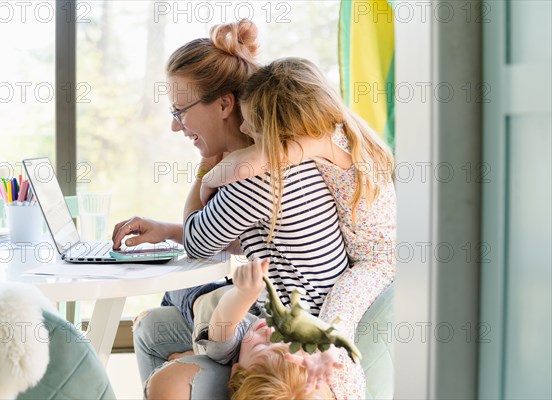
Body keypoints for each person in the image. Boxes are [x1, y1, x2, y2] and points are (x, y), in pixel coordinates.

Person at [111, 21, 351, 400]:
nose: (175, 126)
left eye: (179, 110)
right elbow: (239, 239)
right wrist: (167, 229)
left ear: (224, 104)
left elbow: (198, 243)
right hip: (287, 314)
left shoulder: (253, 177)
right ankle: (195, 354)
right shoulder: (277, 155)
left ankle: (197, 361)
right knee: (155, 324)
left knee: (182, 293)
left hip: (277, 334)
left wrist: (206, 169)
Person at [196, 57, 397, 399]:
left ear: (283, 130)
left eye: (253, 125)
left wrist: (208, 178)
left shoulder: (318, 144)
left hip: (374, 265)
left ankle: (347, 391)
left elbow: (247, 166)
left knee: (335, 328)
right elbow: (286, 91)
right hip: (369, 254)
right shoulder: (336, 126)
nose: (245, 130)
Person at [160, 258, 343, 399]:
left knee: (180, 260)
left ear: (235, 371)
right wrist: (328, 347)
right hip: (241, 289)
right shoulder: (270, 349)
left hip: (197, 295)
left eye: (260, 347)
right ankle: (197, 349)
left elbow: (225, 316)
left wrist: (244, 295)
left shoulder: (225, 348)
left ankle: (197, 350)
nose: (270, 333)